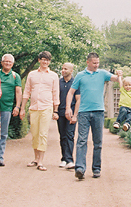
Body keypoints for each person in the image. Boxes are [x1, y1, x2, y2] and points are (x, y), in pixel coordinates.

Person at [65, 52, 120, 180]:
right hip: (83, 112)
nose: (96, 65)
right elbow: (71, 92)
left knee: (98, 142)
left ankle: (96, 168)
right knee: (82, 141)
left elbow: (116, 79)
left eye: (97, 63)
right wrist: (68, 108)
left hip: (98, 112)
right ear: (88, 62)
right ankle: (80, 168)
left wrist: (119, 75)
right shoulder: (80, 75)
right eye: (94, 63)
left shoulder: (102, 73)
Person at [19, 51, 60, 171]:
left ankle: (41, 161)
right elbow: (26, 91)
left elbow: (55, 93)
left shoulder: (53, 75)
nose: (45, 62)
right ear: (39, 60)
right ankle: (36, 158)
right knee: (35, 133)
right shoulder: (32, 74)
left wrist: (55, 110)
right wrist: (22, 108)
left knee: (43, 133)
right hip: (34, 107)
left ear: (49, 62)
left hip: (46, 107)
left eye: (47, 60)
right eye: (43, 59)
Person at [0, 53, 22, 167]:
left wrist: (17, 106)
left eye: (10, 62)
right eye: (5, 61)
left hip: (6, 108)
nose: (7, 63)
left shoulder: (15, 76)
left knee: (3, 133)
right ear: (1, 63)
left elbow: (18, 92)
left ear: (12, 64)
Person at [57, 62, 80, 169]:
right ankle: (64, 158)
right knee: (62, 136)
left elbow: (78, 99)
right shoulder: (58, 82)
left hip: (71, 112)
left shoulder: (76, 83)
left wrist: (75, 114)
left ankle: (70, 159)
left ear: (71, 71)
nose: (63, 70)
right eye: (62, 68)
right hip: (60, 113)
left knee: (70, 135)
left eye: (66, 69)